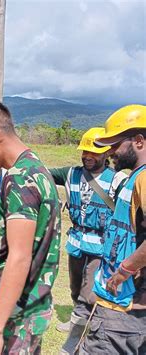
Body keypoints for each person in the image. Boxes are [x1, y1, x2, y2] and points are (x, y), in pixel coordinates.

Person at [0, 98, 61, 354]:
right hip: (28, 308)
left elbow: (18, 257)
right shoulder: (36, 169)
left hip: (10, 317)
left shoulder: (20, 180)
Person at [49, 127, 127, 354]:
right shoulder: (71, 173)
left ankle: (75, 340)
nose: (88, 157)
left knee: (88, 292)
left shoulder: (117, 180)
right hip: (76, 242)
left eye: (93, 152)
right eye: (85, 152)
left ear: (105, 154)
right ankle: (77, 319)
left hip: (101, 244)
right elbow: (42, 172)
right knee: (75, 287)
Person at [80, 105, 146, 354]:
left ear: (138, 141)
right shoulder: (136, 176)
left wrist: (124, 271)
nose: (110, 152)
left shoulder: (144, 178)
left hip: (126, 306)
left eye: (116, 144)